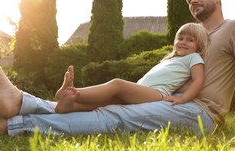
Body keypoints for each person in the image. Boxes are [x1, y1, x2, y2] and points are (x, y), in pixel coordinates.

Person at [0, 0, 235, 138]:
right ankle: (20, 103)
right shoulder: (191, 40)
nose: (193, 0)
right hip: (171, 103)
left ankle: (13, 124)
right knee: (103, 105)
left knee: (112, 116)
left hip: (200, 112)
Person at [54, 22, 209, 113]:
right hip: (142, 90)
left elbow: (198, 80)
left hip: (156, 94)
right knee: (108, 101)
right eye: (180, 38)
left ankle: (74, 93)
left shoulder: (193, 58)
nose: (183, 42)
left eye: (190, 40)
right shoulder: (170, 59)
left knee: (117, 84)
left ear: (198, 45)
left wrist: (183, 98)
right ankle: (70, 106)